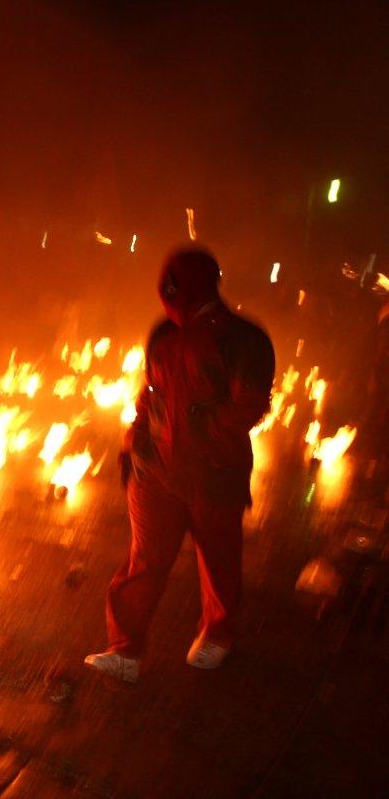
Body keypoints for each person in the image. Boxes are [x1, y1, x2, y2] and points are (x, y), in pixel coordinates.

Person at [86, 248, 274, 682]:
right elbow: (149, 392)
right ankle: (125, 650)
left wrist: (199, 432)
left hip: (214, 473)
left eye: (174, 283)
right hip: (156, 473)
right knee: (144, 562)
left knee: (218, 561)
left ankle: (217, 636)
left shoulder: (243, 339)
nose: (168, 293)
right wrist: (134, 444)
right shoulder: (163, 333)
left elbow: (249, 405)